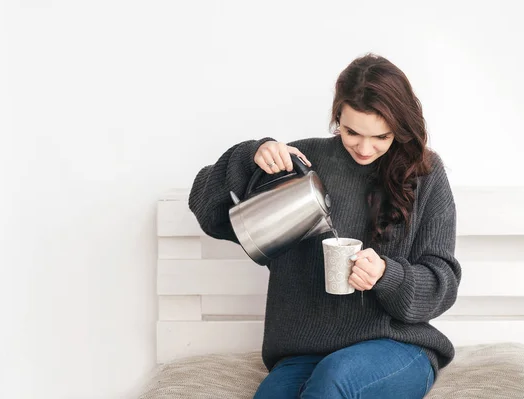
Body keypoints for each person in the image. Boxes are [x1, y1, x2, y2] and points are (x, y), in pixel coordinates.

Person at [188, 53, 461, 399]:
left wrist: (386, 275)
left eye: (382, 136)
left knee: (333, 381)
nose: (365, 148)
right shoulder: (302, 163)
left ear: (401, 128)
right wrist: (251, 156)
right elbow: (206, 207)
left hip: (396, 347)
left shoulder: (424, 174)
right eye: (351, 132)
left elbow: (442, 283)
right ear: (336, 118)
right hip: (302, 353)